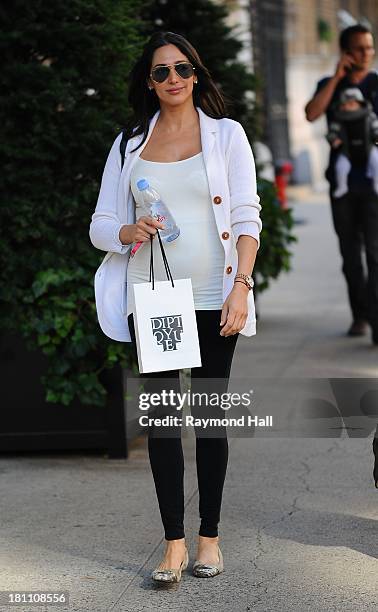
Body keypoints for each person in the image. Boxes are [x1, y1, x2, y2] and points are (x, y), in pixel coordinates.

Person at [89, 31, 262, 584]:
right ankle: (173, 544)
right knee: (164, 422)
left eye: (182, 69)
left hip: (215, 296)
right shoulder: (128, 144)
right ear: (149, 80)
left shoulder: (226, 136)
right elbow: (99, 225)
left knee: (209, 419)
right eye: (161, 72)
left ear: (196, 75)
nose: (173, 80)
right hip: (155, 298)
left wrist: (242, 286)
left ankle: (209, 537)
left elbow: (248, 216)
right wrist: (127, 229)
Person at [305, 24, 378, 345]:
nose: (367, 54)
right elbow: (311, 113)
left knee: (375, 255)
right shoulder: (329, 85)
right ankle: (359, 315)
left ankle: (376, 321)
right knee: (350, 255)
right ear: (346, 52)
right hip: (342, 186)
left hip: (374, 185)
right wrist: (336, 78)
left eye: (370, 47)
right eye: (360, 48)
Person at [326, 87, 378, 198]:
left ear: (360, 104)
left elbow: (376, 129)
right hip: (347, 150)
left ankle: (377, 183)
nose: (347, 107)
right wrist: (333, 140)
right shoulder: (339, 119)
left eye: (351, 104)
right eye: (345, 105)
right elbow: (332, 132)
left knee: (376, 161)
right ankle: (342, 186)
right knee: (341, 166)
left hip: (367, 148)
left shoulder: (369, 117)